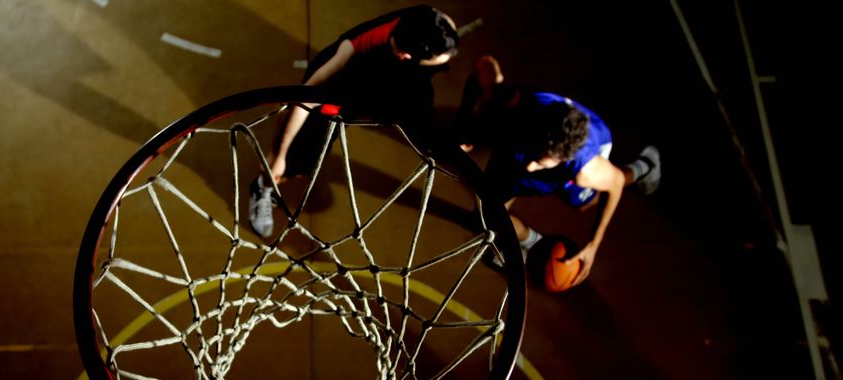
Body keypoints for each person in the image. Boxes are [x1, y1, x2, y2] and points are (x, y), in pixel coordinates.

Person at [249, 5, 460, 238]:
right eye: (440, 58)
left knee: (415, 117)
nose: (446, 59)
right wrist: (279, 155)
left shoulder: (430, 20)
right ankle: (262, 187)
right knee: (293, 163)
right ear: (405, 57)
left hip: (379, 84)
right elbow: (303, 100)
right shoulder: (351, 54)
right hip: (337, 93)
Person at [457, 55, 660, 287]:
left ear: (563, 159)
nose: (531, 166)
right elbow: (484, 64)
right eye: (533, 155)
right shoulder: (518, 104)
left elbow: (613, 184)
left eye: (540, 162)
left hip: (588, 151)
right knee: (484, 217)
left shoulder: (585, 170)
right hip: (512, 156)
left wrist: (593, 245)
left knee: (587, 201)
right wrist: (465, 124)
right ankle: (533, 241)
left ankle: (643, 166)